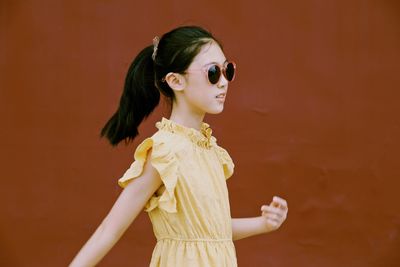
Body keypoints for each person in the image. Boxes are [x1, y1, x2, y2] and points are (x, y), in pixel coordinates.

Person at [69, 25, 288, 267]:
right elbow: (109, 230)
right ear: (175, 80)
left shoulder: (211, 151)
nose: (224, 82)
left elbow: (211, 232)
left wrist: (263, 223)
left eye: (228, 70)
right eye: (213, 72)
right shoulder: (165, 152)